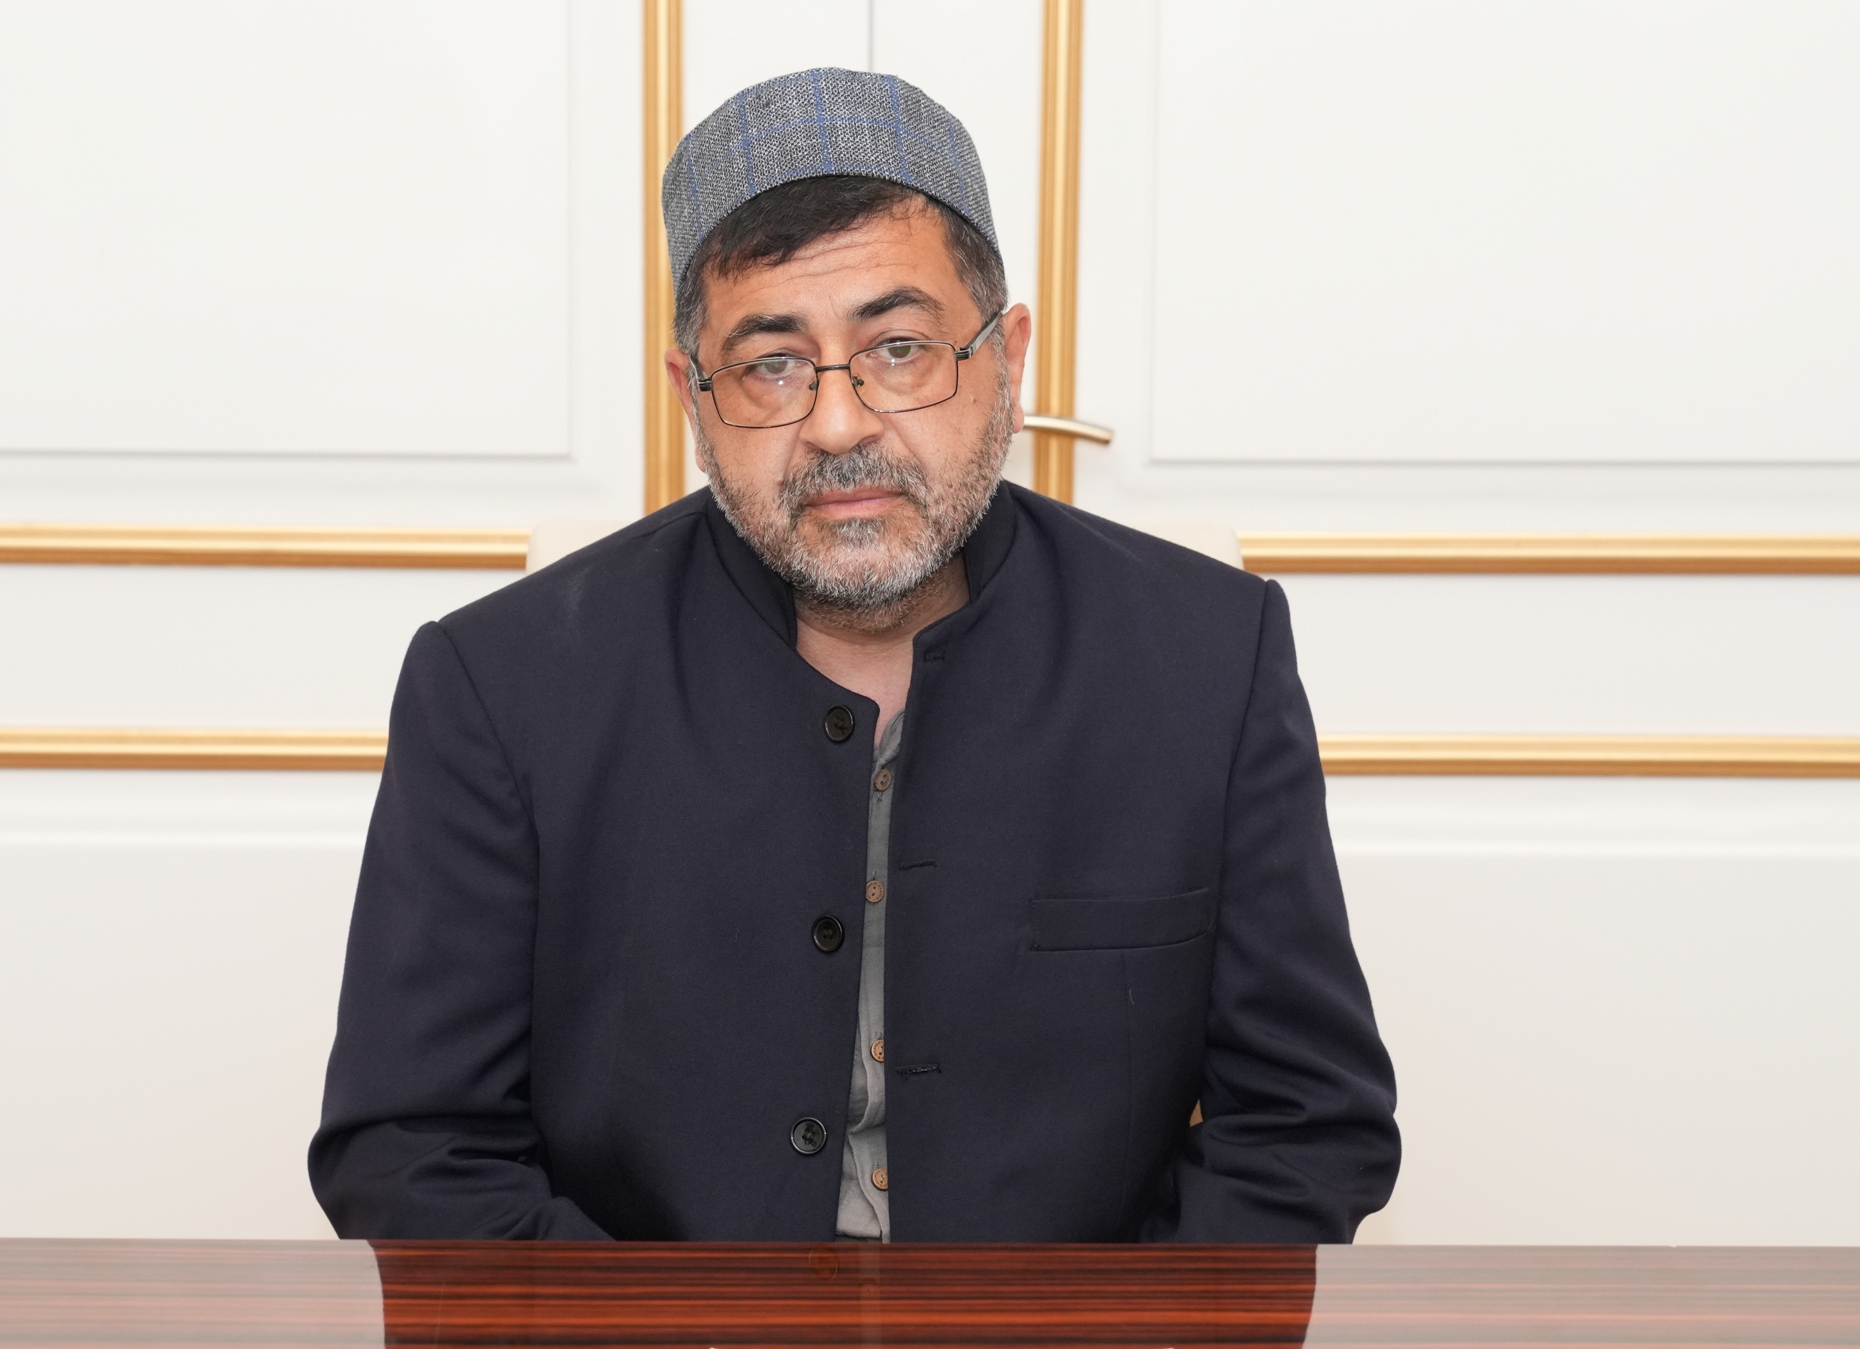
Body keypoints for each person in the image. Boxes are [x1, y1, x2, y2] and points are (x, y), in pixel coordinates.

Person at [311, 68, 1398, 1242]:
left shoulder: (1206, 656)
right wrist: (667, 1331)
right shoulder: (499, 683)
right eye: (771, 364)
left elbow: (1303, 1127)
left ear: (1006, 358)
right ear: (692, 395)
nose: (838, 423)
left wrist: (1102, 1325)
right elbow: (412, 1149)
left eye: (899, 347)